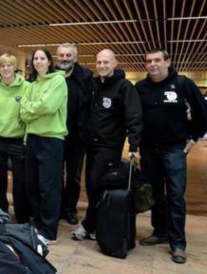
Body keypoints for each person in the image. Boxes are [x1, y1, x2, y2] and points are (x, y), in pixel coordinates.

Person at [135, 49, 207, 264]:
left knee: (176, 196)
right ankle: (159, 232)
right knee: (156, 193)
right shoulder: (140, 88)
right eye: (148, 61)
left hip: (174, 149)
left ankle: (178, 243)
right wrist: (136, 145)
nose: (153, 64)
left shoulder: (183, 84)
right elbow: (135, 118)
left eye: (157, 60)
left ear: (168, 61)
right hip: (149, 150)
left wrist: (194, 138)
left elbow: (202, 112)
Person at [72, 49, 143, 242]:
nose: (102, 66)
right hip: (91, 145)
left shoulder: (124, 87)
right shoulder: (94, 85)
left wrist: (134, 145)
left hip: (109, 146)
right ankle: (96, 224)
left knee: (97, 185)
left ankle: (89, 225)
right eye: (99, 63)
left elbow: (133, 117)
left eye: (106, 62)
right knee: (91, 186)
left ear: (115, 63)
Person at [20, 48, 67, 245]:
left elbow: (49, 107)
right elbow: (23, 112)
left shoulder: (58, 81)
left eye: (42, 58)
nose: (38, 61)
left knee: (49, 188)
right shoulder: (32, 85)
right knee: (32, 185)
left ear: (49, 61)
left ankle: (49, 232)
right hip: (32, 138)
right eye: (35, 59)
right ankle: (39, 224)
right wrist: (34, 108)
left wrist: (32, 108)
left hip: (51, 139)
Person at [0, 54, 28, 222]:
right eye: (2, 66)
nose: (6, 69)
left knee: (21, 182)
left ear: (14, 67)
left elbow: (31, 116)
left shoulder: (27, 87)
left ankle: (22, 216)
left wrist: (26, 140)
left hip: (18, 141)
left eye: (9, 65)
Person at [55, 43, 94, 225]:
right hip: (54, 134)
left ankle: (70, 209)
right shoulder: (51, 75)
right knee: (55, 174)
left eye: (68, 55)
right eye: (61, 55)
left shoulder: (86, 77)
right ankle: (56, 207)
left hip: (77, 136)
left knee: (73, 176)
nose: (64, 59)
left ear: (75, 58)